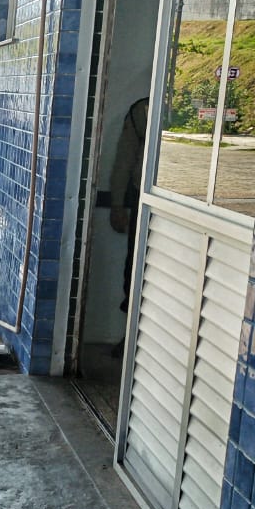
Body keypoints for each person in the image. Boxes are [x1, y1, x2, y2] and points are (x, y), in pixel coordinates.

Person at [107, 97, 148, 356]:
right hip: (143, 202)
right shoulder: (141, 111)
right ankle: (132, 334)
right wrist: (117, 205)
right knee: (135, 270)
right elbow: (124, 161)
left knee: (137, 269)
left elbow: (124, 161)